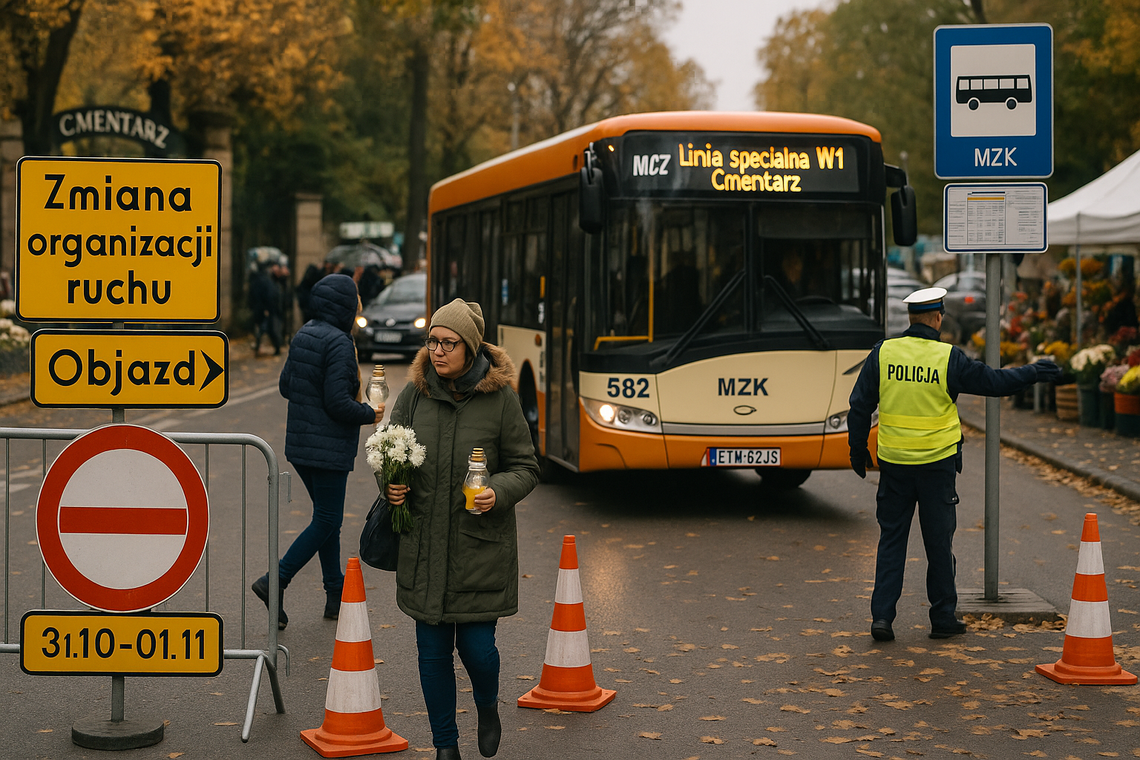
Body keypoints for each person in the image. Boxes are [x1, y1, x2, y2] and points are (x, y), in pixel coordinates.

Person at [847, 287, 1061, 643]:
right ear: (937, 318)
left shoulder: (884, 353)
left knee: (891, 541)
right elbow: (993, 382)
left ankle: (882, 618)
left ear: (911, 318)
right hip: (936, 466)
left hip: (895, 466)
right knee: (938, 543)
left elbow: (859, 405)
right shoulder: (948, 358)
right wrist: (1033, 372)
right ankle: (942, 617)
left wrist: (857, 450)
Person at [385, 298, 540, 760]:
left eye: (447, 343)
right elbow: (389, 449)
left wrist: (496, 490)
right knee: (432, 657)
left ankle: (487, 707)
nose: (436, 351)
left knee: (478, 651)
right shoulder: (414, 395)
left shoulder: (501, 400)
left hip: (479, 550)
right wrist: (391, 483)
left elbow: (526, 467)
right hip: (424, 550)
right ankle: (445, 748)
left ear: (470, 348)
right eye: (431, 341)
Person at [252, 274, 381, 629]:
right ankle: (275, 580)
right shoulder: (339, 343)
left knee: (328, 520)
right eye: (355, 299)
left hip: (301, 447)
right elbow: (338, 403)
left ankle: (334, 594)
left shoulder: (305, 333)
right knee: (328, 520)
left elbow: (285, 386)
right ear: (344, 305)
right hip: (327, 449)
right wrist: (370, 414)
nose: (359, 306)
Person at [249, 261, 283, 355]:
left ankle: (259, 346)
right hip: (267, 309)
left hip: (259, 308)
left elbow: (252, 295)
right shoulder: (267, 281)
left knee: (261, 329)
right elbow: (270, 295)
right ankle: (276, 347)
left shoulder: (255, 280)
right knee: (270, 329)